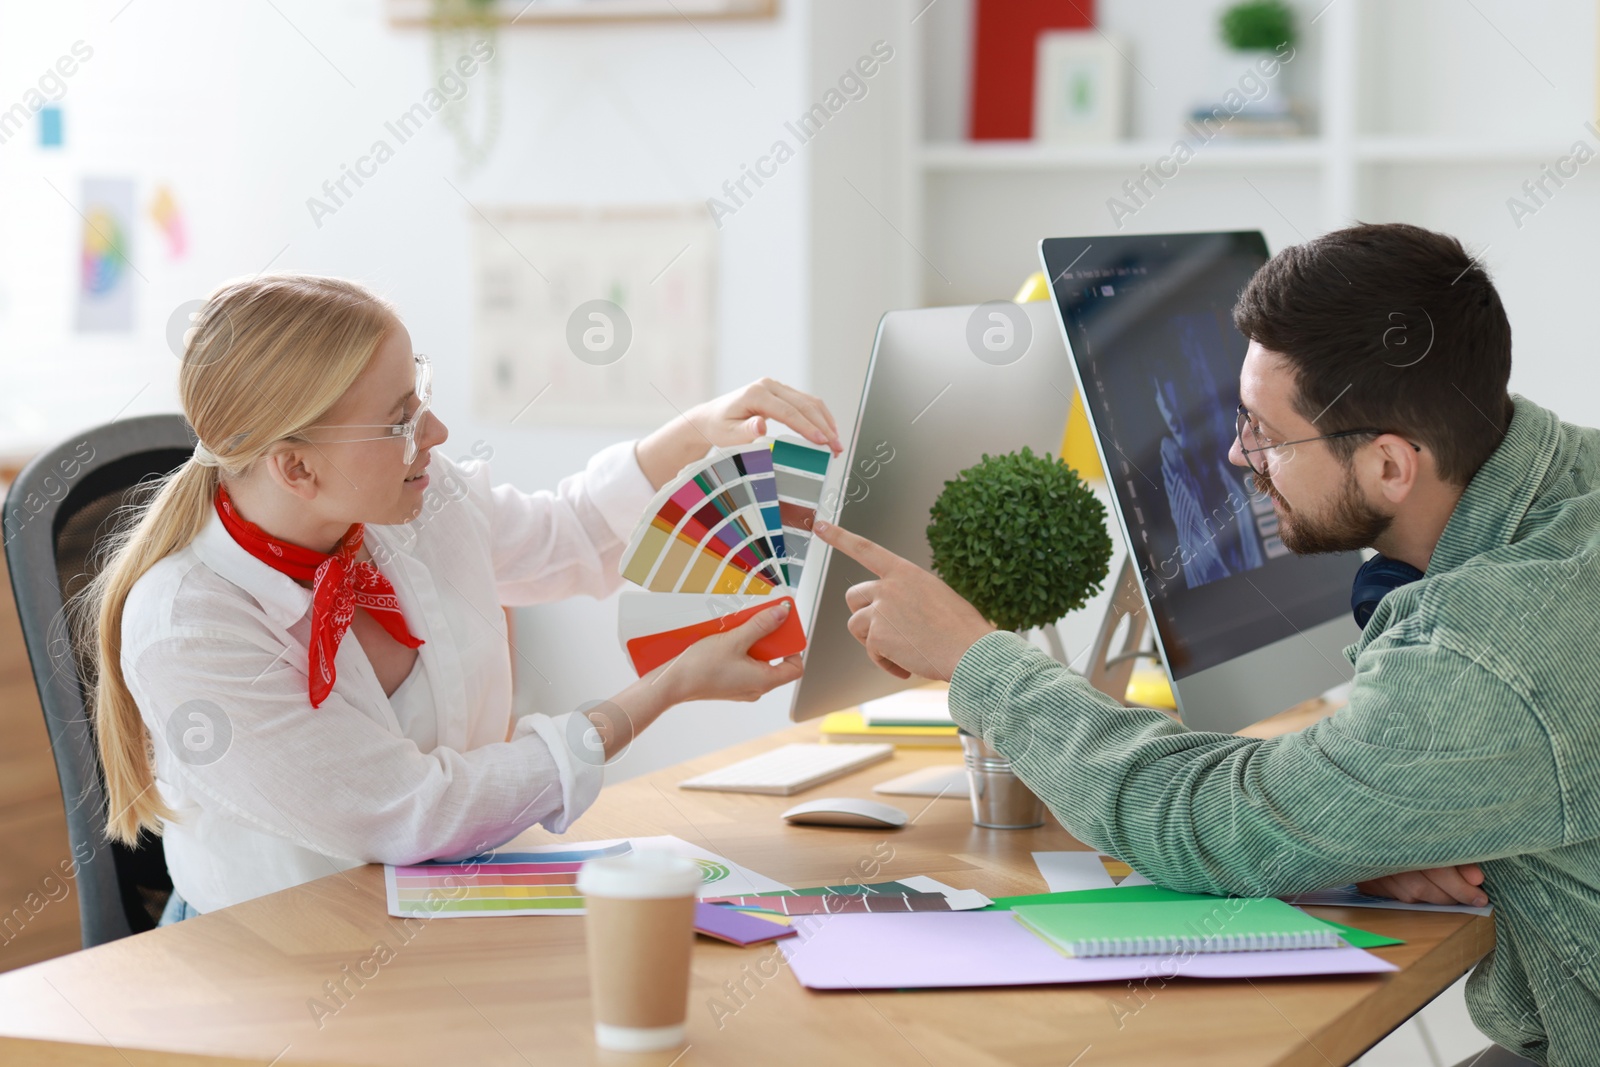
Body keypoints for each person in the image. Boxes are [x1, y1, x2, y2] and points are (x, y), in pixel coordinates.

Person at [813, 223, 1598, 1067]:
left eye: (1265, 431)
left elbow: (1211, 823)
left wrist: (975, 660)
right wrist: (1375, 817)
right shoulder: (1568, 483)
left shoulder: (1483, 653)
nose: (1235, 454)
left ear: (1390, 468)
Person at [76, 273, 841, 923]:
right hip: (283, 959)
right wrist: (664, 689)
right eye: (400, 419)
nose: (436, 431)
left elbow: (565, 534)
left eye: (422, 393)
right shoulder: (188, 630)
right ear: (295, 470)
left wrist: (693, 431)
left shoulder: (412, 498)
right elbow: (419, 809)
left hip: (443, 909)